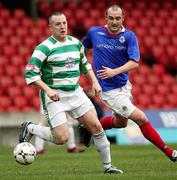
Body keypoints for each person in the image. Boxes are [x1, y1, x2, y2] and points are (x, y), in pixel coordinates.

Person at [20, 12, 123, 174]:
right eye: (58, 24)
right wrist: (48, 89)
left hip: (76, 93)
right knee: (62, 138)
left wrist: (94, 82)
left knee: (96, 125)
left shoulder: (76, 43)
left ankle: (108, 166)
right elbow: (30, 74)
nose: (62, 26)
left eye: (64, 23)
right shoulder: (44, 47)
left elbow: (85, 65)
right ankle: (31, 128)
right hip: (55, 97)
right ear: (51, 27)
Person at [82, 5, 177, 162]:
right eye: (111, 18)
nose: (114, 21)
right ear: (106, 18)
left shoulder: (129, 36)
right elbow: (83, 52)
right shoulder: (94, 32)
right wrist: (90, 76)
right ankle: (169, 152)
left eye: (117, 18)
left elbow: (135, 63)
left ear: (123, 18)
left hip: (124, 86)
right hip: (108, 90)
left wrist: (114, 71)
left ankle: (91, 128)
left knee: (121, 123)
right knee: (141, 118)